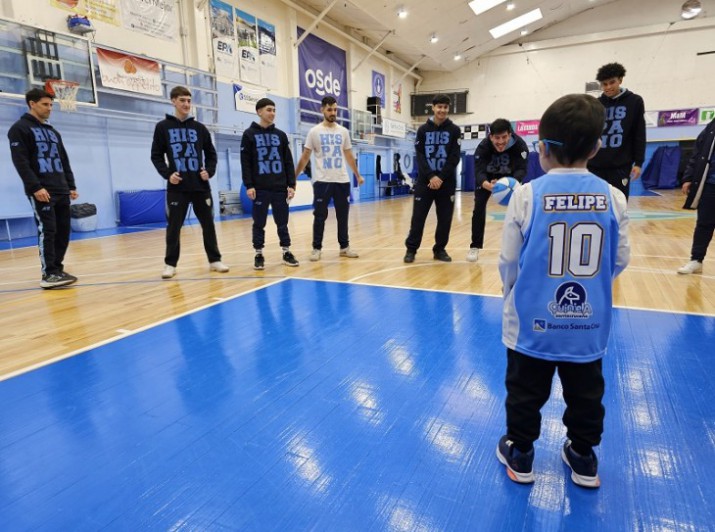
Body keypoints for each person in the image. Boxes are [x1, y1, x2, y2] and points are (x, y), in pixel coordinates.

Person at [497, 94, 630, 488]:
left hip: (532, 323)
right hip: (587, 324)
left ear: (541, 149)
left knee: (524, 391)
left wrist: (511, 296)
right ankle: (584, 456)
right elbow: (619, 259)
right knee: (586, 393)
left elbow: (508, 261)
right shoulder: (614, 197)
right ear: (596, 148)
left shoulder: (526, 195)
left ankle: (520, 452)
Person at [151, 85, 229, 279]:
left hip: (200, 187)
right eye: (182, 100)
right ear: (173, 101)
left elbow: (211, 154)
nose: (186, 104)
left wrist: (209, 172)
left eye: (188, 100)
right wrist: (168, 174)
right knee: (174, 227)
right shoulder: (163, 127)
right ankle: (170, 264)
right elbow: (156, 156)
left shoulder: (200, 128)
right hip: (177, 188)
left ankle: (214, 260)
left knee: (208, 225)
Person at [8, 88, 79, 289]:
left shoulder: (53, 132)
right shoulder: (19, 128)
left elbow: (63, 160)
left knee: (63, 231)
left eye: (51, 105)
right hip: (41, 190)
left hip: (61, 189)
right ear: (32, 104)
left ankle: (57, 268)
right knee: (48, 230)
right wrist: (35, 187)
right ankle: (48, 274)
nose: (49, 109)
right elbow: (20, 162)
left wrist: (71, 185)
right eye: (45, 104)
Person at [295, 96, 364, 261]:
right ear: (322, 110)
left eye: (335, 110)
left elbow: (349, 155)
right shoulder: (314, 132)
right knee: (319, 216)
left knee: (343, 216)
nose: (333, 113)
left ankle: (344, 247)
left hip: (341, 180)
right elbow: (305, 157)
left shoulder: (343, 132)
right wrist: (294, 178)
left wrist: (357, 174)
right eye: (329, 110)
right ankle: (316, 248)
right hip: (322, 181)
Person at [240, 97, 299, 270]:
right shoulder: (249, 134)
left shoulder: (280, 135)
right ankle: (258, 254)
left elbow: (288, 162)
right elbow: (246, 163)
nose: (272, 113)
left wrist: (292, 185)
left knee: (282, 222)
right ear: (259, 112)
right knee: (259, 223)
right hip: (260, 189)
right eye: (269, 110)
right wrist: (249, 185)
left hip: (280, 188)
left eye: (274, 110)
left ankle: (286, 251)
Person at [403, 94, 461, 263]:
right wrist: (431, 176)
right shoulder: (422, 130)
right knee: (418, 218)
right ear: (433, 108)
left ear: (448, 109)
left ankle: (440, 249)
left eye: (445, 107)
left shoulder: (454, 130)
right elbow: (420, 156)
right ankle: (411, 250)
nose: (442, 110)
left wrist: (440, 177)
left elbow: (454, 157)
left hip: (446, 183)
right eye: (439, 107)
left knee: (445, 219)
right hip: (424, 182)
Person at [468, 119, 528, 262]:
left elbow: (522, 169)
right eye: (497, 138)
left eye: (504, 137)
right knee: (478, 208)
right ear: (491, 137)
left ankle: (523, 245)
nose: (500, 141)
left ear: (510, 135)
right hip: (488, 179)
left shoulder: (520, 146)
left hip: (511, 179)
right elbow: (478, 171)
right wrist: (485, 183)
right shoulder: (483, 147)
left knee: (521, 210)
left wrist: (511, 182)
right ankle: (475, 246)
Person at [587, 62, 646, 200]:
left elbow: (639, 133)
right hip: (594, 166)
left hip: (620, 166)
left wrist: (638, 163)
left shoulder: (634, 101)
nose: (608, 87)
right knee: (595, 204)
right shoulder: (595, 104)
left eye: (612, 82)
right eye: (604, 84)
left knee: (619, 205)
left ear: (620, 80)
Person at [677, 117, 715, 274]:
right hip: (710, 185)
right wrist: (688, 177)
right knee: (704, 224)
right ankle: (696, 260)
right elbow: (697, 154)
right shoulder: (711, 127)